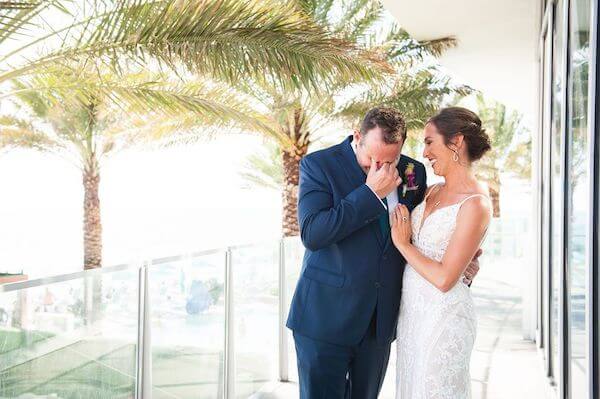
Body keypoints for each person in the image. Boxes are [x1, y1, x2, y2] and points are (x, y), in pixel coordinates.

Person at [286, 107, 481, 398]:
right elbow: (313, 234)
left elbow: (417, 233)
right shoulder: (320, 164)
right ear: (358, 136)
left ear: (401, 146)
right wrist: (369, 193)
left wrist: (458, 259)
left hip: (379, 325)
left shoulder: (414, 172)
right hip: (324, 320)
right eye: (372, 160)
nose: (380, 167)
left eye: (390, 160)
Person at [392, 106, 492, 398]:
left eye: (429, 141)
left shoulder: (476, 204)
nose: (424, 153)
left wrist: (403, 244)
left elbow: (446, 278)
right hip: (412, 317)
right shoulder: (430, 191)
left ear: (456, 141)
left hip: (444, 320)